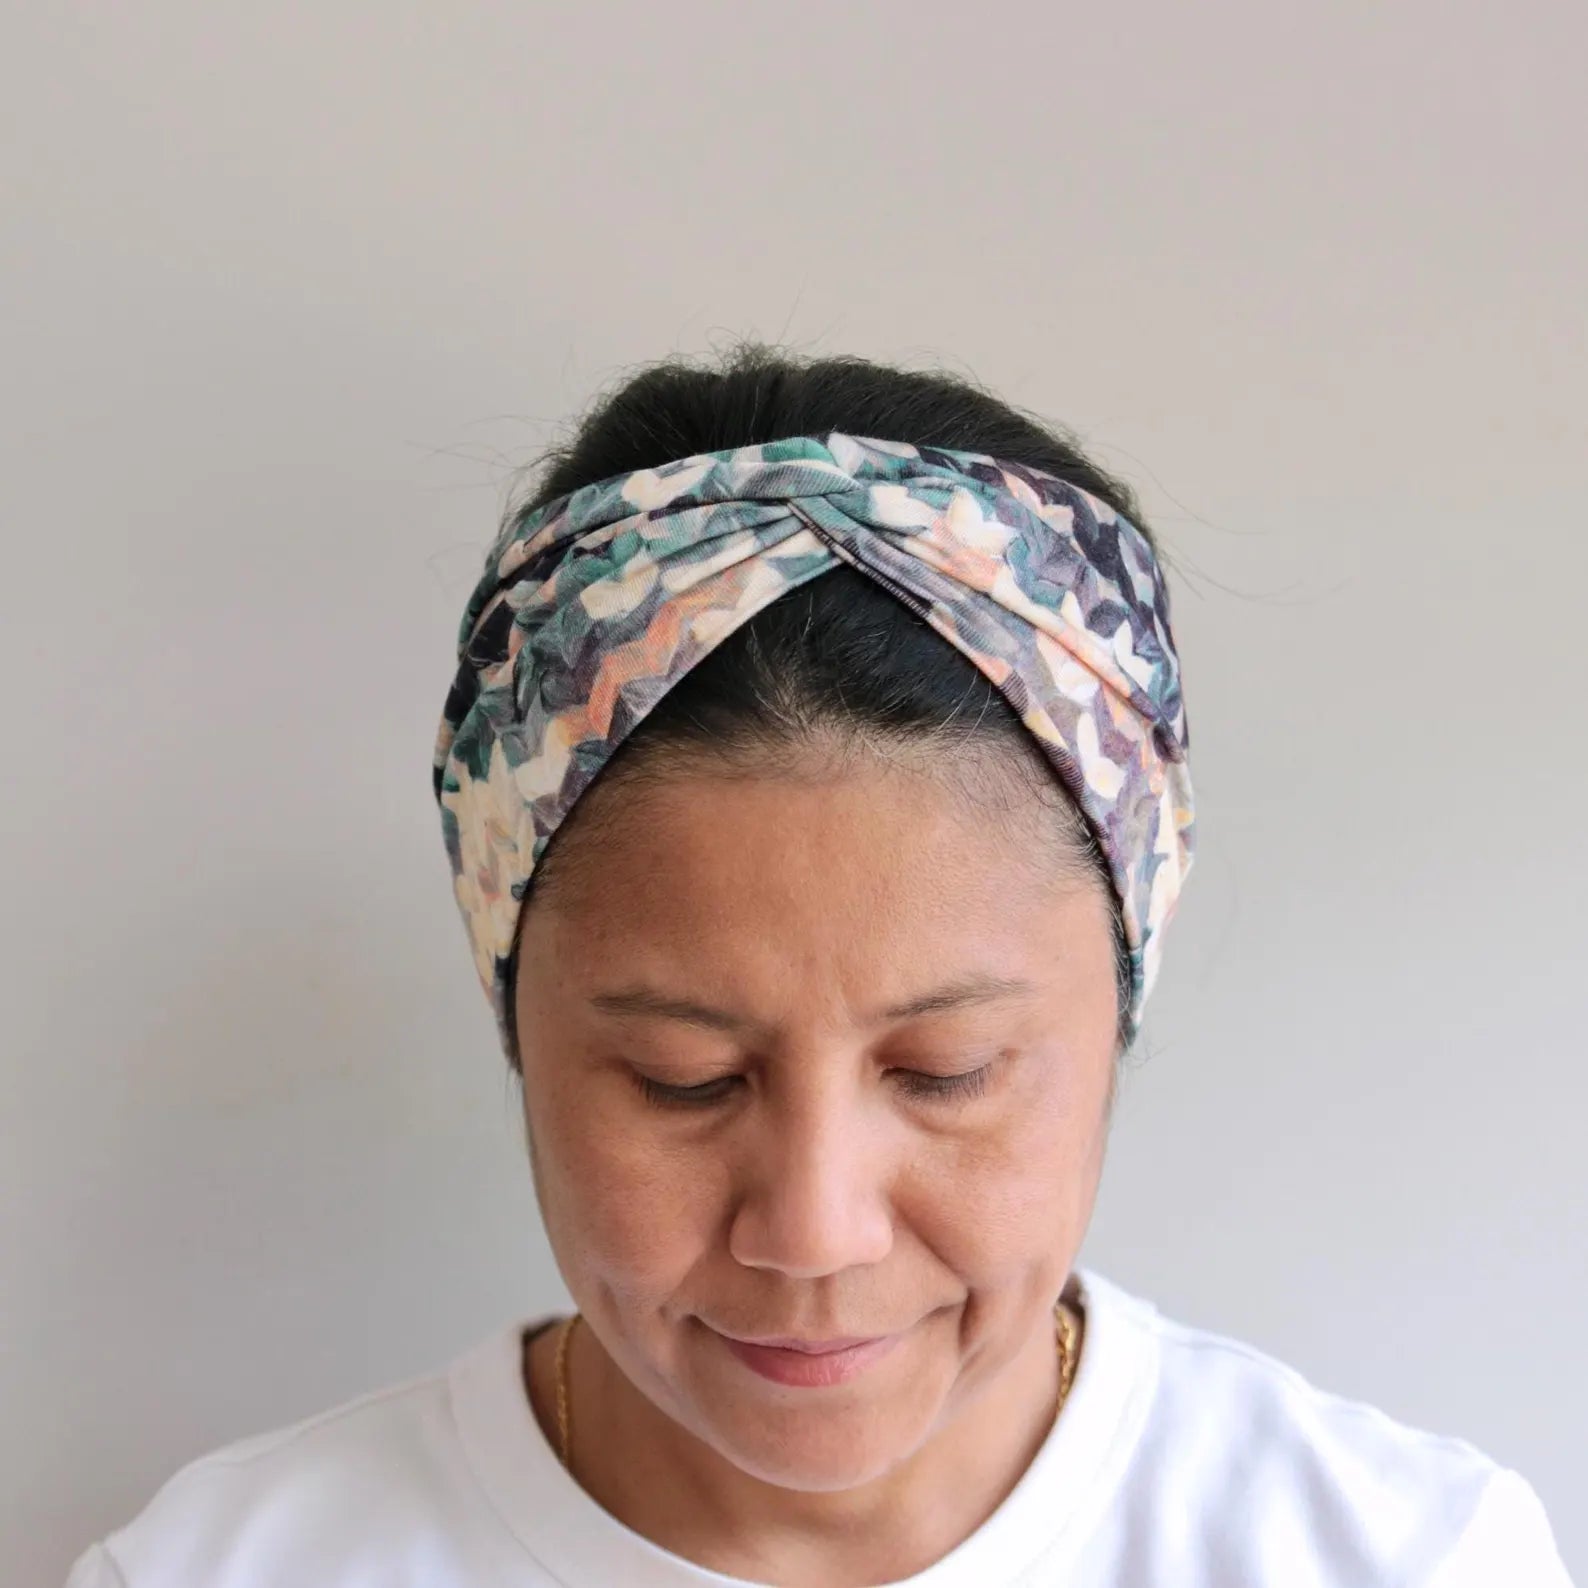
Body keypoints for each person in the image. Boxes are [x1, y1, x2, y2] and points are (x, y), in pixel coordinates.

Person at [66, 344, 1572, 1586]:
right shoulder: (223, 1569)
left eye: (947, 1072)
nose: (814, 1232)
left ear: (1121, 1004)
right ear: (514, 1013)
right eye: (685, 1079)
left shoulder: (1407, 1558)